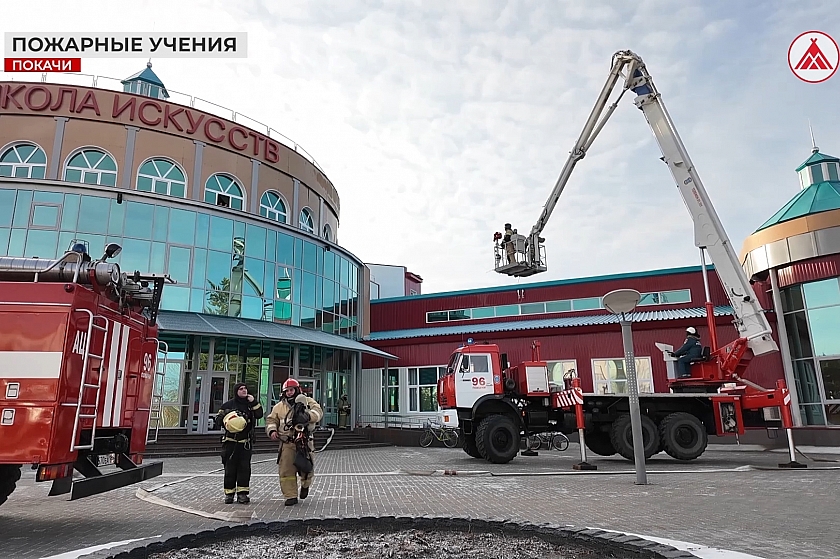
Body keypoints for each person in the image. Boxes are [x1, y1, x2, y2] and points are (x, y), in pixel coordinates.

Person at [265, 378, 323, 506]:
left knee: (307, 468)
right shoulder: (279, 407)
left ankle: (305, 485)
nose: (289, 393)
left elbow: (318, 412)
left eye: (291, 390)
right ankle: (290, 496)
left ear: (297, 390)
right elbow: (271, 421)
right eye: (287, 391)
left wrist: (307, 416)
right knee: (286, 470)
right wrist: (272, 431)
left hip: (304, 441)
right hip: (287, 443)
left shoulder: (308, 402)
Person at [213, 382, 263, 504]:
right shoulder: (228, 405)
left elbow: (259, 414)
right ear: (236, 391)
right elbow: (218, 420)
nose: (244, 390)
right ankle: (229, 494)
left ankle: (242, 494)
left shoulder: (250, 405)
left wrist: (254, 402)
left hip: (245, 443)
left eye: (245, 388)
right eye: (241, 389)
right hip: (230, 442)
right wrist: (227, 417)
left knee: (244, 469)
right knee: (230, 469)